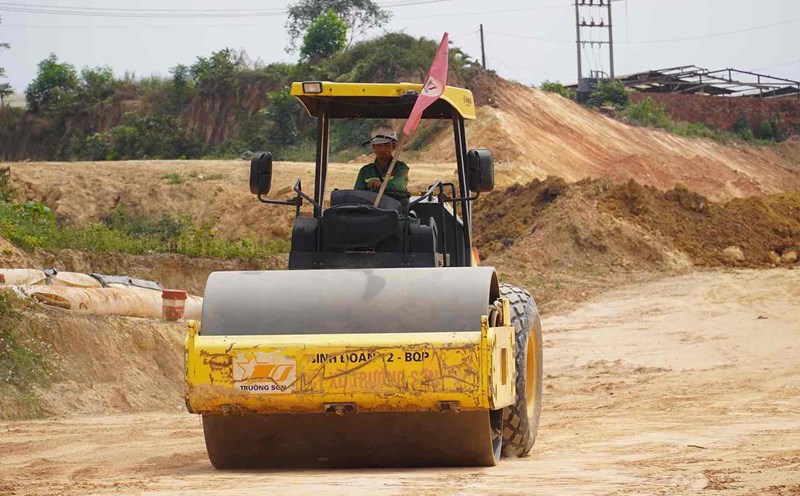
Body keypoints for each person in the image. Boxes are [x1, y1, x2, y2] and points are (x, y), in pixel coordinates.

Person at [354, 125, 410, 206]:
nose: (382, 149)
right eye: (379, 145)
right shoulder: (365, 171)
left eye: (386, 145)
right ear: (373, 147)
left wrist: (381, 185)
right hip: (371, 212)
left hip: (396, 212)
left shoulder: (401, 167)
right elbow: (357, 195)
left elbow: (399, 184)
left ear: (393, 146)